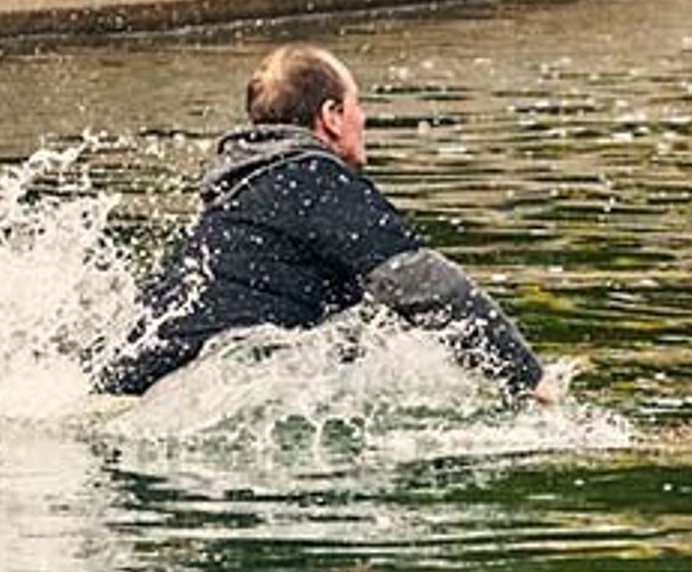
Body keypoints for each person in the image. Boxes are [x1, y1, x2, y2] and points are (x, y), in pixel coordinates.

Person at [96, 44, 550, 402]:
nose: (363, 118)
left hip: (125, 386)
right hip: (169, 398)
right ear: (332, 116)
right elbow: (425, 285)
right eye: (358, 104)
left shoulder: (236, 193)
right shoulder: (315, 180)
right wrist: (530, 381)